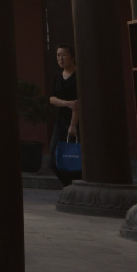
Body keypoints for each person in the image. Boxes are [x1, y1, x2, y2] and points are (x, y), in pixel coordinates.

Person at [48, 43, 80, 187]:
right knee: (53, 158)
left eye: (64, 55)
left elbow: (78, 104)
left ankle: (76, 185)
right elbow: (51, 99)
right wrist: (66, 103)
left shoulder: (78, 76)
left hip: (76, 123)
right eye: (58, 55)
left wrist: (73, 125)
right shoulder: (57, 76)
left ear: (72, 57)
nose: (60, 58)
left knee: (74, 157)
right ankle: (68, 186)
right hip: (60, 121)